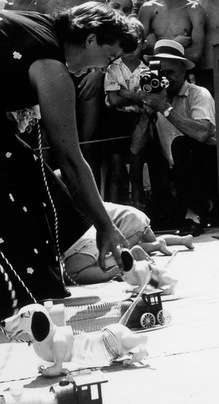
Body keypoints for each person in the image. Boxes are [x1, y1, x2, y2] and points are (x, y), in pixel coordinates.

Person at [0, 2, 136, 318]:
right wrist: (106, 226)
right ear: (90, 39)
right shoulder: (51, 66)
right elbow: (71, 161)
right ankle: (25, 303)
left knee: (37, 177)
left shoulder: (37, 26)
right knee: (22, 188)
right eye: (109, 57)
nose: (105, 68)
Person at [133, 38, 218, 237]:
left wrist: (165, 108)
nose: (165, 79)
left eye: (170, 73)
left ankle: (195, 213)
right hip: (176, 176)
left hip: (206, 171)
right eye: (161, 73)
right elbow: (136, 148)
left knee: (182, 144)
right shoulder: (157, 96)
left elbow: (203, 133)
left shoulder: (198, 94)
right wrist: (147, 114)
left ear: (183, 69)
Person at [64, 202, 192, 284]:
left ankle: (149, 248)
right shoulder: (88, 202)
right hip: (135, 218)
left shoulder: (84, 207)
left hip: (129, 222)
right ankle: (181, 240)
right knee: (154, 241)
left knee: (121, 250)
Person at [103, 17, 149, 208]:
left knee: (136, 173)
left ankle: (140, 214)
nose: (129, 49)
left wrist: (125, 93)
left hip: (138, 121)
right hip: (115, 121)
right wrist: (136, 97)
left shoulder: (147, 71)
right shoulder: (113, 68)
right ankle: (114, 215)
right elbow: (113, 100)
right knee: (116, 171)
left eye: (134, 43)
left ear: (143, 44)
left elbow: (147, 101)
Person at [138, 0, 205, 66]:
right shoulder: (148, 8)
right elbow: (140, 49)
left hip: (180, 68)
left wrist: (156, 47)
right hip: (154, 67)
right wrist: (176, 44)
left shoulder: (194, 9)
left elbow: (195, 54)